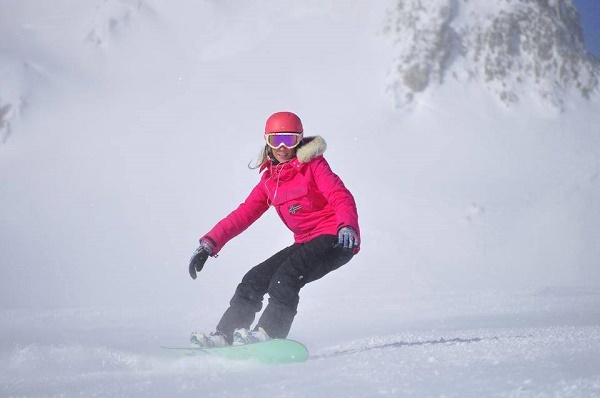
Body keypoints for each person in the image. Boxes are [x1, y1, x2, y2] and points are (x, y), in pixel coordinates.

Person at [188, 111, 360, 347]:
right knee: (254, 279)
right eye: (275, 139)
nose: (281, 147)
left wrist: (347, 225)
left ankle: (268, 334)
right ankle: (224, 335)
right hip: (306, 241)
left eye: (288, 140)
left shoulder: (314, 166)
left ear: (299, 139)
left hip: (336, 238)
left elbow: (340, 195)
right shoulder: (271, 180)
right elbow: (244, 214)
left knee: (285, 277)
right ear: (266, 140)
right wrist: (209, 244)